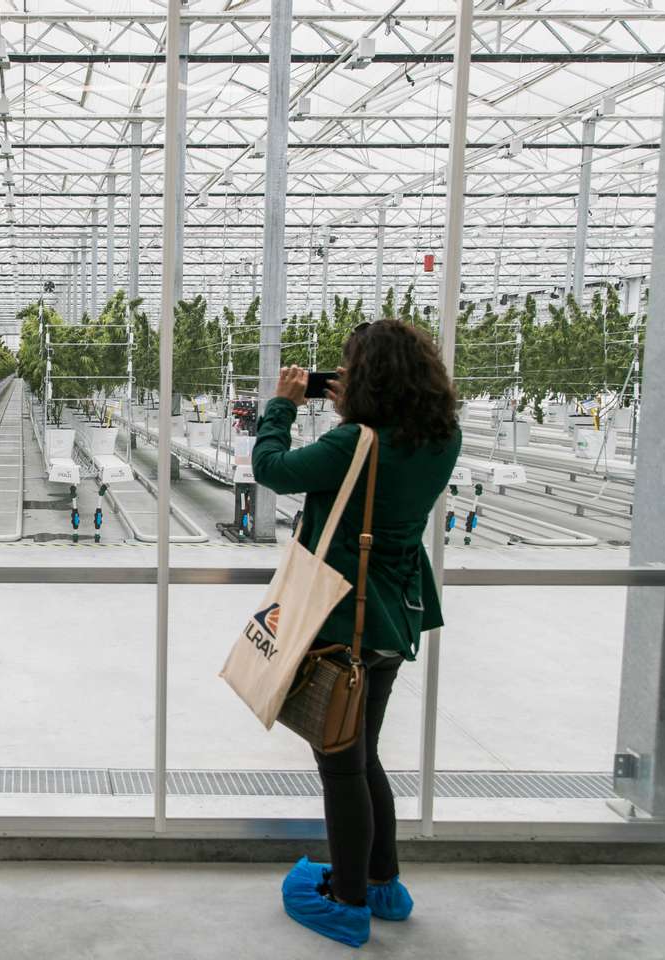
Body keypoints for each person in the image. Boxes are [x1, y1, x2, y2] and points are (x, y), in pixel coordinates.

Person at [251, 320, 462, 948]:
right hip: (396, 617)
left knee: (339, 765)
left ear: (365, 378)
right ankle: (382, 881)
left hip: (342, 622)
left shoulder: (356, 442)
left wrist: (282, 406)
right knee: (364, 754)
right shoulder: (441, 437)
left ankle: (346, 902)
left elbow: (273, 468)